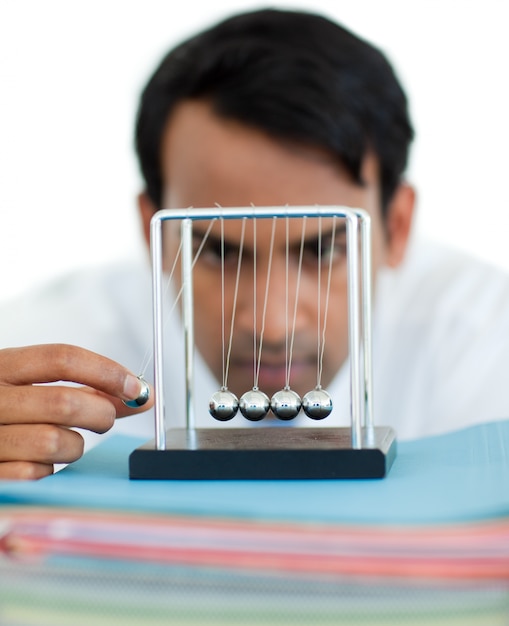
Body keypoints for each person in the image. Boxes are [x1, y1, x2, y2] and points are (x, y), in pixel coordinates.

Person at [2, 8, 509, 480]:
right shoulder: (33, 359)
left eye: (323, 251)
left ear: (396, 228)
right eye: (219, 252)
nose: (271, 326)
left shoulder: (485, 344)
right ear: (151, 229)